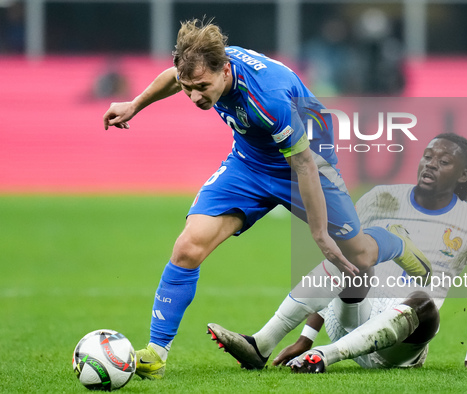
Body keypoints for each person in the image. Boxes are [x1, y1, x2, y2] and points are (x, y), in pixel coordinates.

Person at [102, 18, 430, 379]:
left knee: (361, 256)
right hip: (250, 163)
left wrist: (320, 234)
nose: (195, 96)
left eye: (202, 87)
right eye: (188, 87)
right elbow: (172, 74)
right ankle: (156, 353)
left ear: (225, 70)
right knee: (188, 248)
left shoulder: (266, 97)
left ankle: (395, 240)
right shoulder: (201, 68)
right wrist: (135, 104)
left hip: (307, 161)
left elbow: (303, 164)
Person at [208, 133, 467, 372]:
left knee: (425, 303)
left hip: (401, 344)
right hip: (354, 312)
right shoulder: (381, 197)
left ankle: (326, 356)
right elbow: (339, 259)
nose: (431, 165)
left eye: (444, 161)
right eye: (428, 156)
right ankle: (262, 344)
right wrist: (307, 336)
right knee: (354, 257)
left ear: (463, 175)